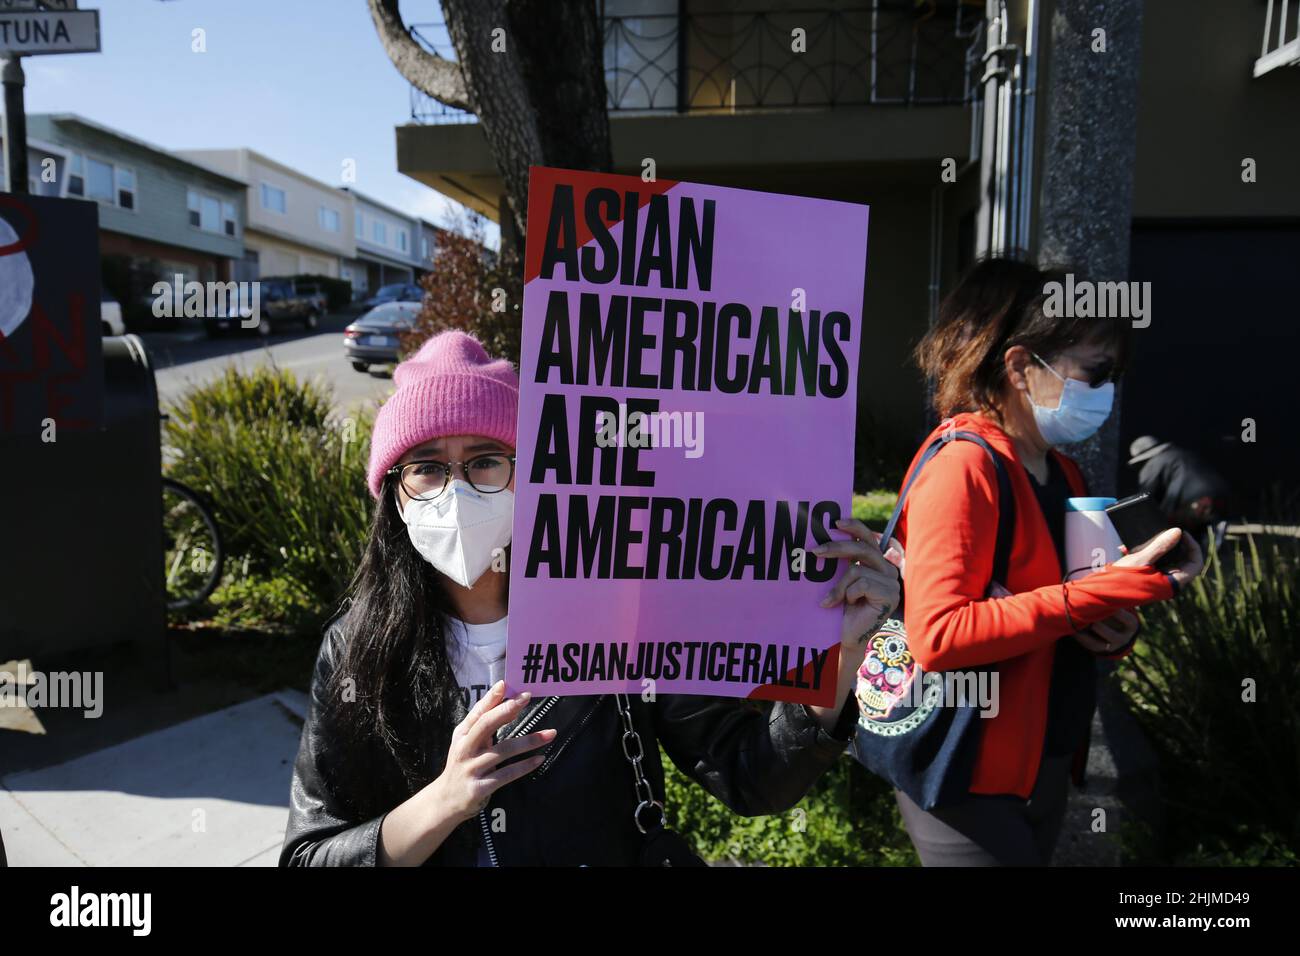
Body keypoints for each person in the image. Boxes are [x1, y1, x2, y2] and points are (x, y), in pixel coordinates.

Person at [280, 330, 900, 866]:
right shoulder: (357, 649)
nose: (457, 491)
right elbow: (311, 853)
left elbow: (752, 776)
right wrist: (443, 801)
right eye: (427, 467)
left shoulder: (622, 612)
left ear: (532, 476)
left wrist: (841, 658)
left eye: (486, 461)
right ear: (393, 493)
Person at [892, 258, 1203, 866]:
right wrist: (1108, 593)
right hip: (965, 772)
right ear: (1018, 367)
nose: (1107, 389)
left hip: (1046, 763)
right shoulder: (965, 465)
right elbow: (938, 635)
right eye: (1096, 371)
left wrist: (1115, 628)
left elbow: (1068, 610)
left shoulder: (1063, 473)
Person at [1128, 435, 1230, 539]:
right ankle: (1212, 528)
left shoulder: (1152, 464)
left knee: (1172, 529)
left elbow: (1145, 496)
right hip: (1221, 497)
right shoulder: (1184, 455)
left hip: (1195, 503)